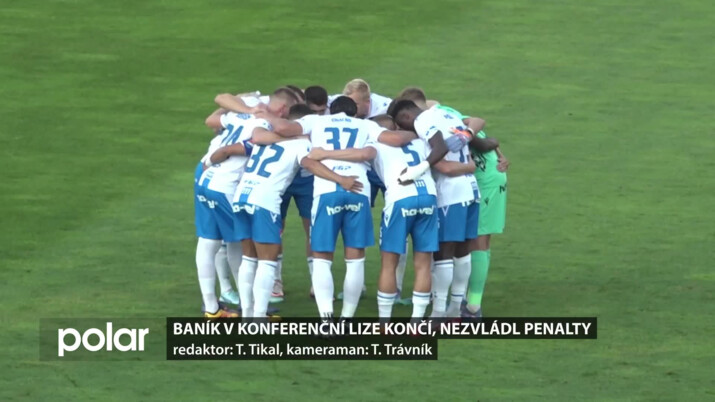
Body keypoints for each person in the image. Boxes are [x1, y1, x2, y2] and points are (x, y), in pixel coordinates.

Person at [259, 96, 379, 321]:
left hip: (327, 192)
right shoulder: (366, 125)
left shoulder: (316, 121)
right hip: (358, 190)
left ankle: (326, 320)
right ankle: (347, 320)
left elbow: (284, 128)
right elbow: (385, 142)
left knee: (322, 257)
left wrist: (264, 114)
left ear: (330, 111)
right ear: (355, 112)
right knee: (355, 259)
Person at [390, 100, 497, 318]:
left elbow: (440, 149)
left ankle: (438, 313)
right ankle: (455, 310)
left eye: (401, 123)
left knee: (444, 254)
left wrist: (420, 168)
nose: (403, 129)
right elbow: (469, 151)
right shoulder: (449, 116)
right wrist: (467, 166)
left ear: (406, 115)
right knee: (463, 252)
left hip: (450, 193)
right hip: (471, 189)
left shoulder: (422, 120)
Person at [210, 123, 309, 320]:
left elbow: (254, 136)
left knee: (248, 258)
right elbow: (312, 164)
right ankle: (259, 318)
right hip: (264, 202)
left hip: (241, 197)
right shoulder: (302, 144)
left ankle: (247, 316)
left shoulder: (262, 139)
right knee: (267, 262)